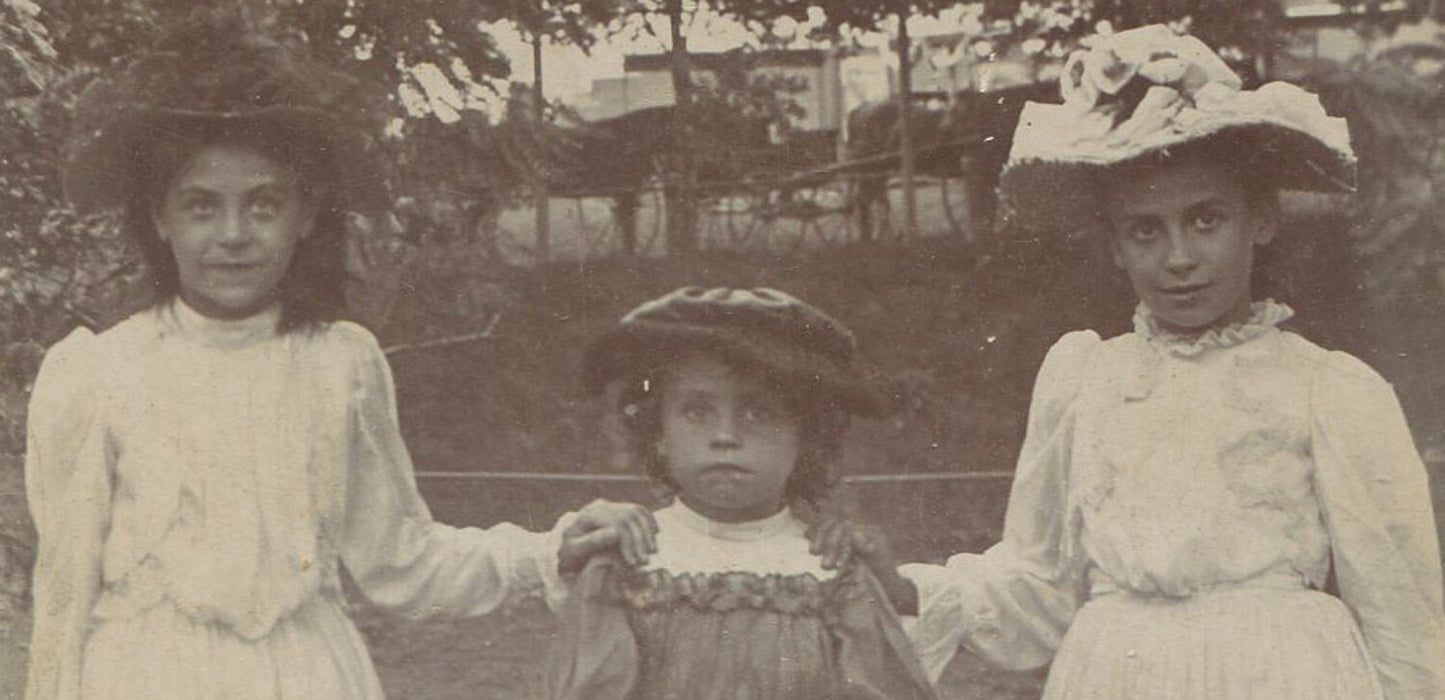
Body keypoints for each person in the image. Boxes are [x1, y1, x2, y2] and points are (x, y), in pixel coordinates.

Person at [24, 24, 654, 699]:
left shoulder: (338, 364)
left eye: (263, 204)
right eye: (202, 206)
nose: (233, 235)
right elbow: (64, 591)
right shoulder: (100, 374)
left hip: (306, 675)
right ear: (160, 218)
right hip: (144, 675)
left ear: (305, 215)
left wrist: (549, 551)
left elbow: (402, 563)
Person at [849, 25, 1445, 700]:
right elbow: (1040, 585)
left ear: (1261, 220)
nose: (1178, 257)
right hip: (1117, 673)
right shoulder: (1084, 381)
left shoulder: (1326, 388)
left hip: (1278, 673)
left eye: (1205, 220)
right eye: (1144, 230)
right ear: (1114, 246)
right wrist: (904, 588)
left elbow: (1401, 614)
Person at [545, 287, 938, 700]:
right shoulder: (627, 562)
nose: (725, 436)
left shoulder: (830, 568)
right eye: (696, 411)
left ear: (806, 437)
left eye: (758, 412)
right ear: (658, 432)